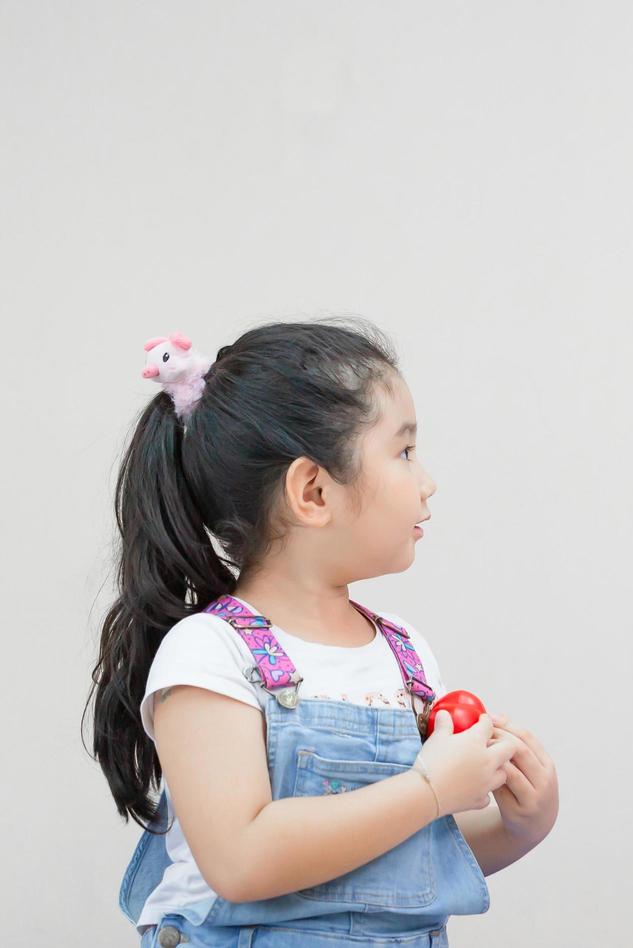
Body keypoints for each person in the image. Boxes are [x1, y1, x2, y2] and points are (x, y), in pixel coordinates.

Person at [89, 320, 559, 947]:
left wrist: (520, 825)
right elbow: (240, 858)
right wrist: (429, 788)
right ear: (312, 491)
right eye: (404, 452)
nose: (427, 481)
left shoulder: (406, 656)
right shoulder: (210, 654)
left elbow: (403, 857)